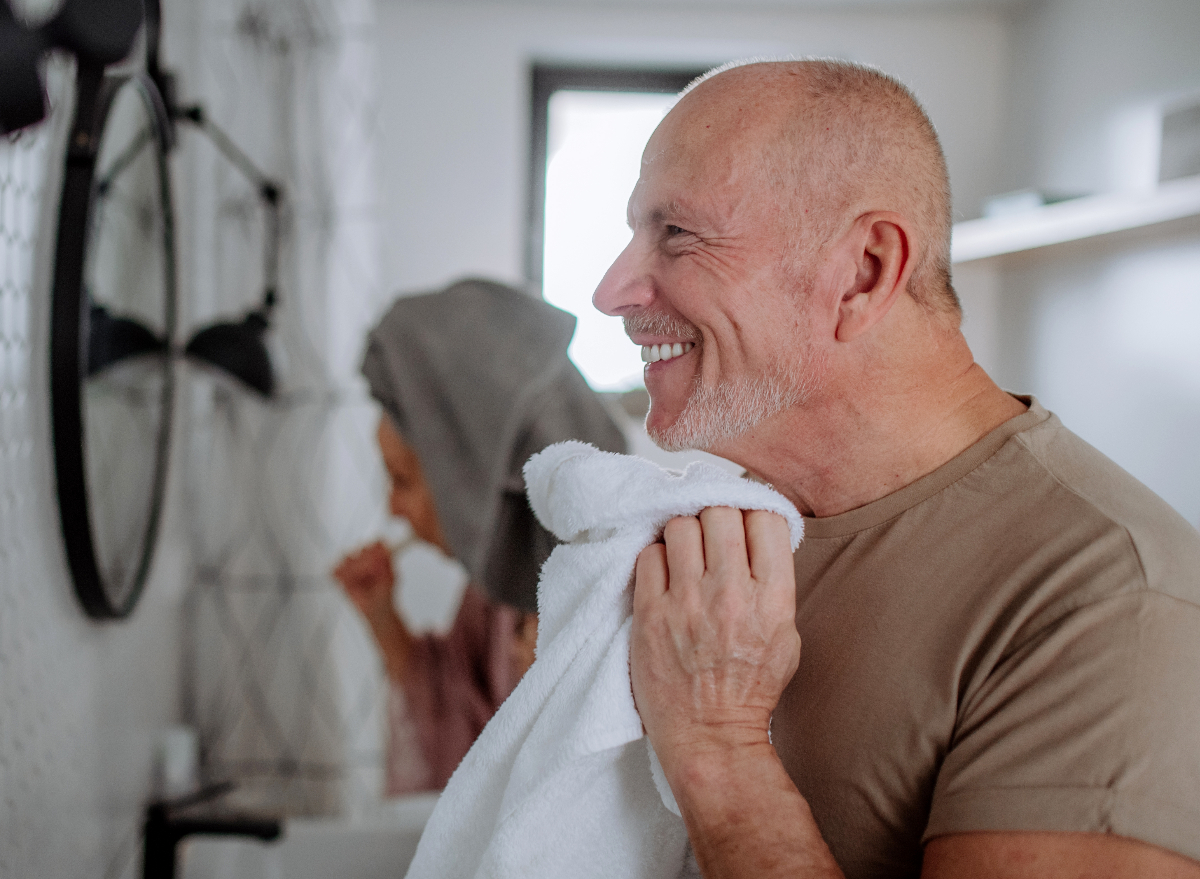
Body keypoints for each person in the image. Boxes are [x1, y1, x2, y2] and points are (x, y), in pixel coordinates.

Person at [592, 60, 1200, 878]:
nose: (612, 290)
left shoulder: (1116, 604)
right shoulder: (714, 528)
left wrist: (717, 750)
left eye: (678, 234)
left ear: (864, 272)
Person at [334, 277, 627, 794]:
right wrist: (384, 619)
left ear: (470, 473)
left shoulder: (625, 589)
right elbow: (464, 744)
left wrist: (567, 699)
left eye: (403, 480)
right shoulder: (499, 584)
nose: (392, 509)